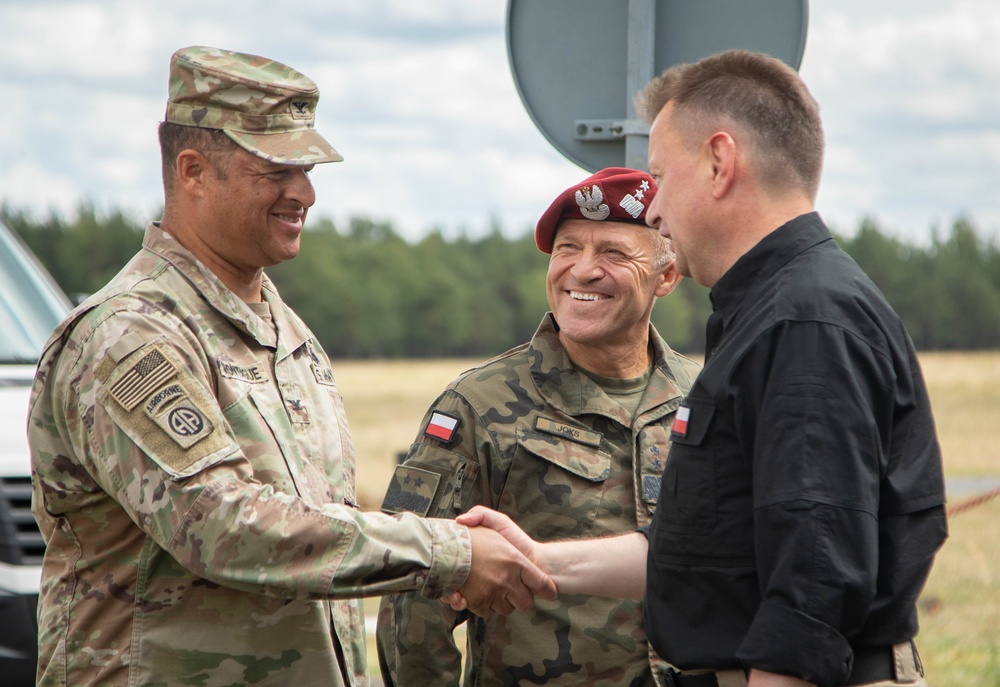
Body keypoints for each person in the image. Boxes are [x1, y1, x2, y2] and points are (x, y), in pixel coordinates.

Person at [27, 45, 554, 687]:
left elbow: (315, 549)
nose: (303, 192)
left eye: (306, 169)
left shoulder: (284, 331)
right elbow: (222, 525)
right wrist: (447, 552)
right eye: (275, 170)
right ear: (192, 171)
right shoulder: (131, 335)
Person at [451, 49, 948, 687]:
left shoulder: (803, 323)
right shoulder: (772, 311)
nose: (653, 210)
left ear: (719, 162)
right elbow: (717, 552)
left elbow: (813, 580)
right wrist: (537, 557)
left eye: (660, 176)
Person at [375, 167, 701, 686]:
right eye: (567, 249)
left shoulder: (703, 398)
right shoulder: (478, 405)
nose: (582, 271)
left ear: (666, 276)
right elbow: (414, 594)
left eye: (614, 253)